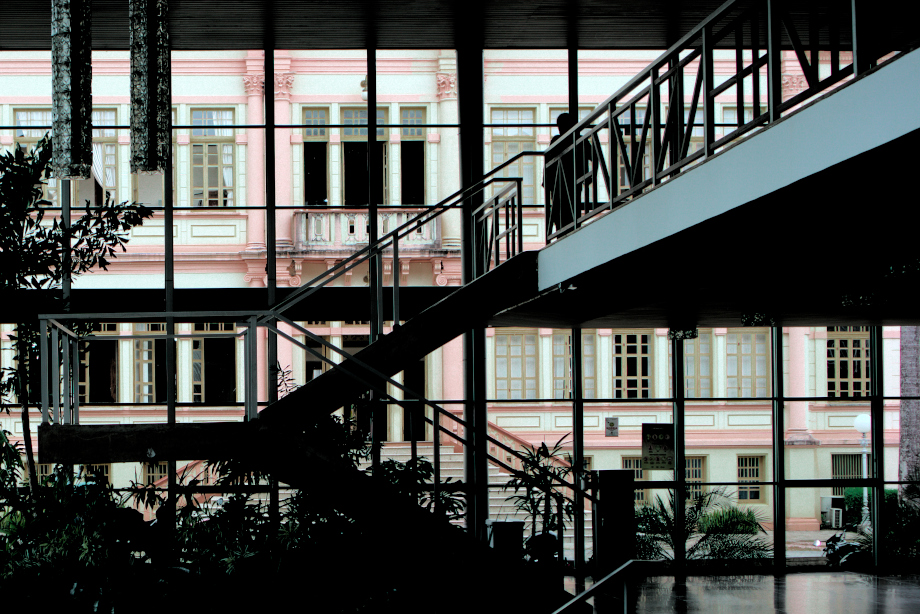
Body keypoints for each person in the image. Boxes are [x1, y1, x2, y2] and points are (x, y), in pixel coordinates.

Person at [545, 112, 579, 237]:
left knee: (563, 214)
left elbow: (548, 160)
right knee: (566, 214)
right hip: (564, 183)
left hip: (562, 184)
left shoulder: (562, 140)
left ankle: (564, 234)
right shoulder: (576, 139)